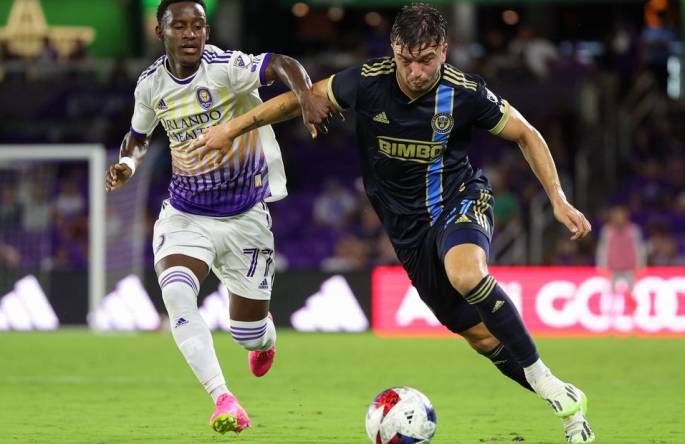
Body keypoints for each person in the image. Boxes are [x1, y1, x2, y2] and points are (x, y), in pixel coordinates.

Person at [192, 4, 595, 442]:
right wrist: (231, 129)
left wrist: (558, 199)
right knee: (479, 338)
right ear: (394, 50)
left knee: (466, 274)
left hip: (458, 200)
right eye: (407, 59)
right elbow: (298, 100)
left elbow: (526, 133)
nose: (416, 71)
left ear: (444, 50)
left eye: (426, 60)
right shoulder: (367, 82)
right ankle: (564, 399)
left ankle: (549, 382)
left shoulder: (466, 93)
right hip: (407, 231)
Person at [105, 0, 333, 435]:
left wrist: (305, 97)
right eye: (180, 26)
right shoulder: (151, 85)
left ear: (207, 31)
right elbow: (137, 137)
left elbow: (283, 63)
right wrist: (127, 165)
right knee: (176, 294)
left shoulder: (226, 67)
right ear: (161, 33)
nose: (191, 34)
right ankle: (223, 398)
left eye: (198, 26)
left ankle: (262, 336)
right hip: (185, 215)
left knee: (247, 333)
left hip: (245, 216)